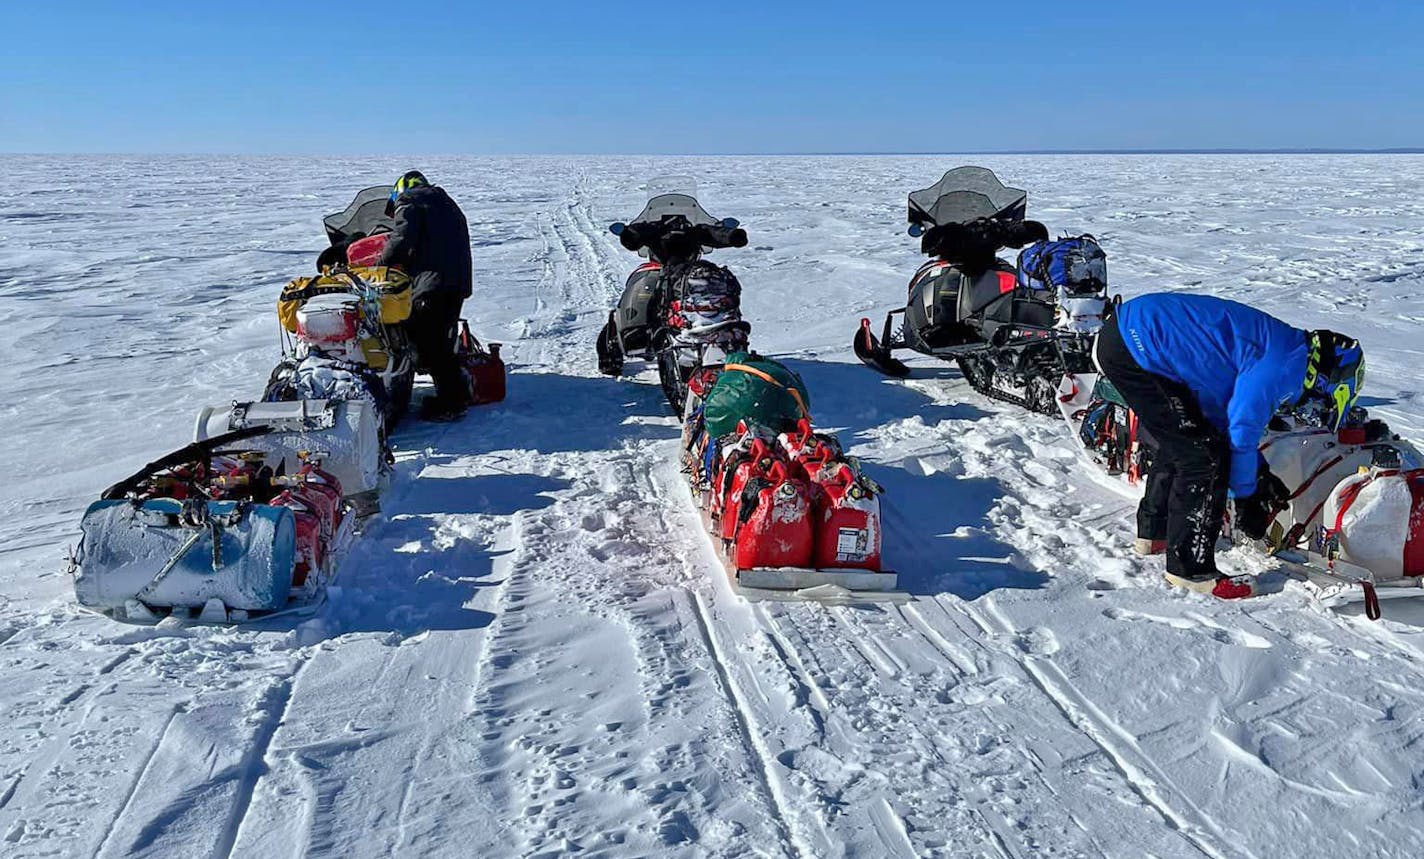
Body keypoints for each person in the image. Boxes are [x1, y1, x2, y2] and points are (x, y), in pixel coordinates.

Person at [1093, 293, 1364, 598]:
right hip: (1137, 347)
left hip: (1131, 335)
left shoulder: (1288, 348)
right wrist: (1246, 496)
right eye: (1322, 403)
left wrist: (1259, 475)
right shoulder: (1286, 367)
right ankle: (1190, 570)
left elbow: (1220, 418)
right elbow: (1241, 431)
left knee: (1187, 439)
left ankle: (1155, 532)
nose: (1311, 410)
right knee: (1202, 459)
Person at [378, 170, 474, 421]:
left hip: (434, 284)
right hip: (455, 282)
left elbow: (401, 238)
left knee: (431, 344)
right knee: (440, 340)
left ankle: (451, 403)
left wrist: (382, 264)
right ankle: (455, 394)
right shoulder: (444, 203)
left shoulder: (410, 201)